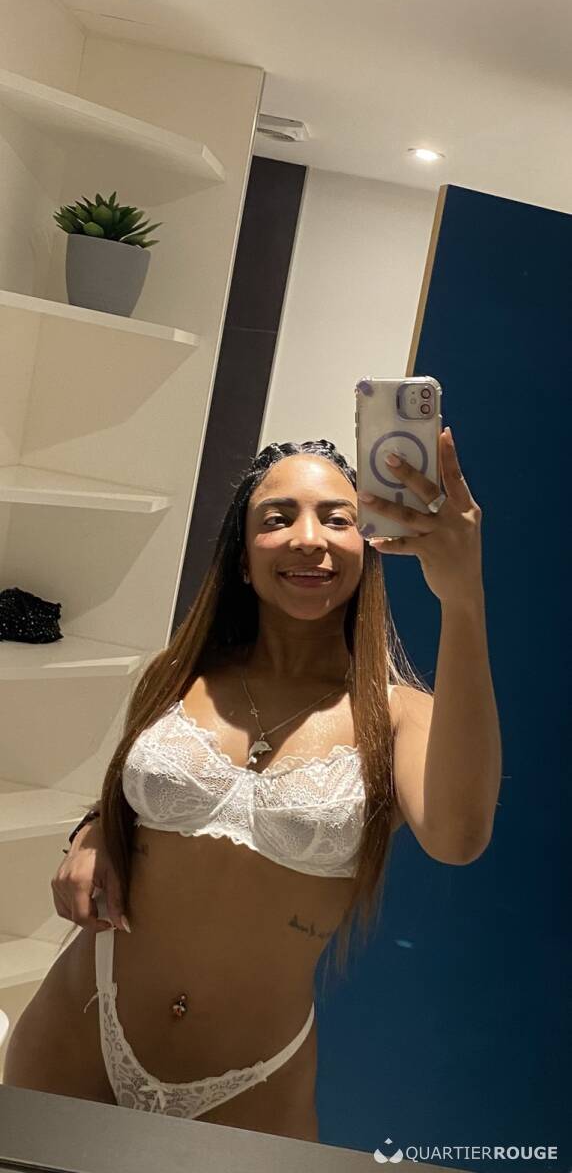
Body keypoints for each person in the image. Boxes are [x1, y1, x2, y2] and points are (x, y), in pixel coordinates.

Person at [3, 434, 501, 1142]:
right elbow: (133, 800)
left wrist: (463, 599)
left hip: (252, 1080)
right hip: (81, 1025)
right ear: (243, 555)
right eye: (277, 518)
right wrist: (92, 832)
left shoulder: (399, 717)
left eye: (336, 518)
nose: (308, 538)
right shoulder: (177, 673)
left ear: (368, 548)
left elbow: (458, 839)